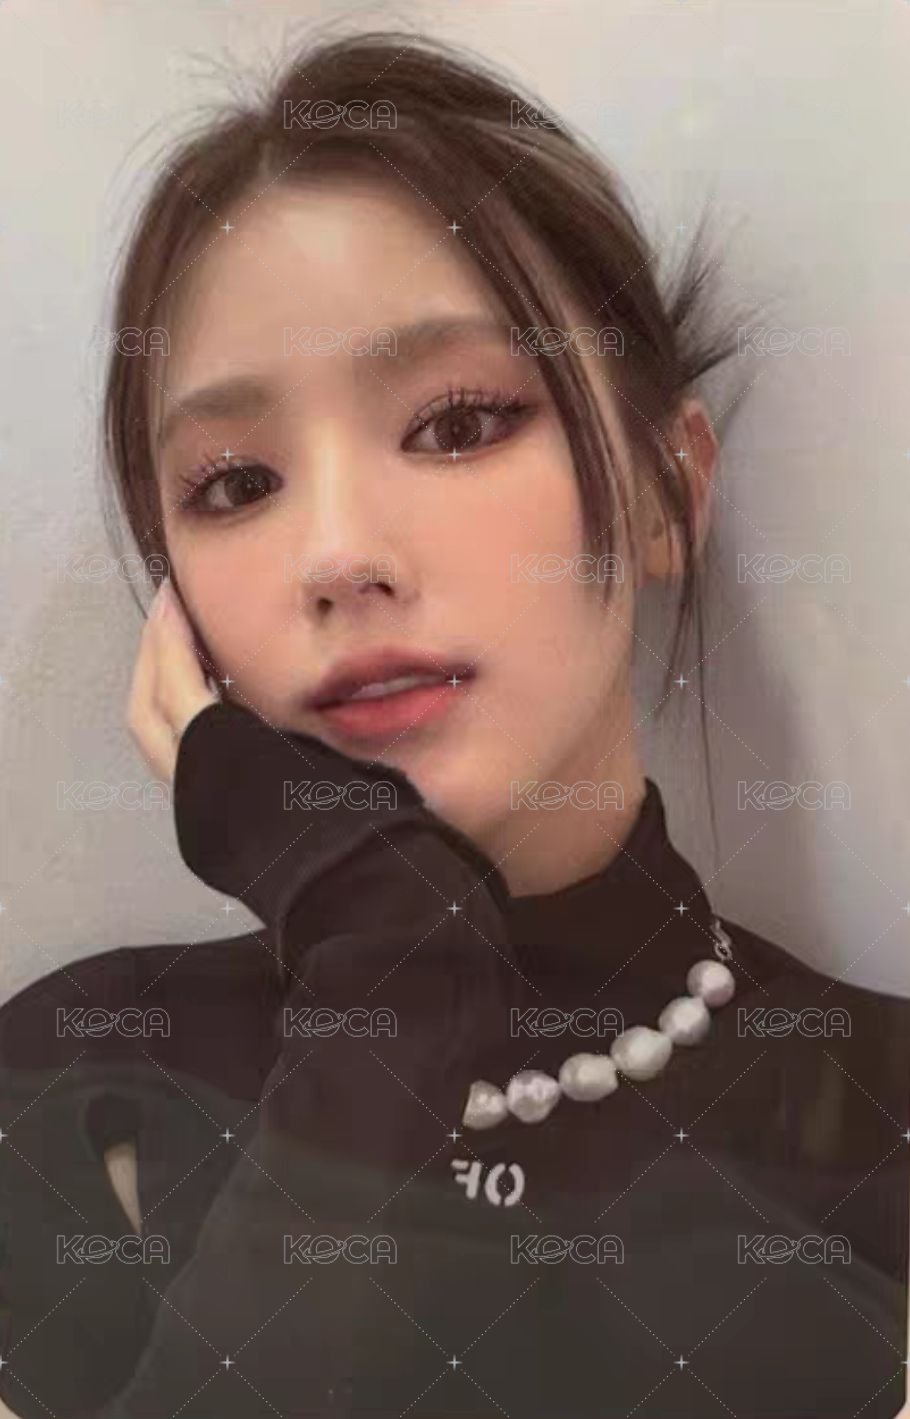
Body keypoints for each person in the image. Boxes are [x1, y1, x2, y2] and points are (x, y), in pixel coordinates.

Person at [1, 28, 908, 1419]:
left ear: (665, 491)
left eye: (459, 423)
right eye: (235, 484)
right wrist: (394, 958)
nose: (337, 556)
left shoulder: (878, 1110)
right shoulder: (72, 1082)